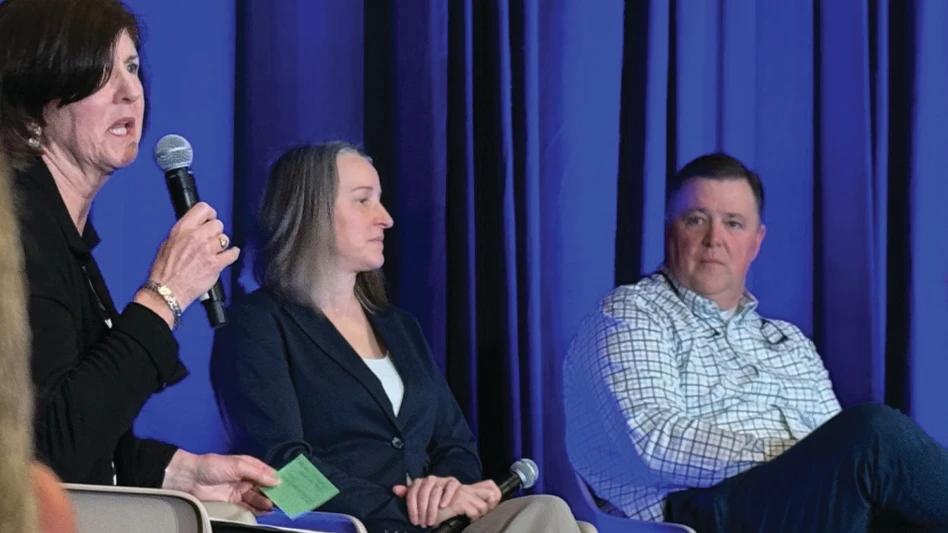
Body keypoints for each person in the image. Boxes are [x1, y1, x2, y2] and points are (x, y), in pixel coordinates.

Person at [211, 142, 587, 533]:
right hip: (349, 526)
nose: (386, 218)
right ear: (311, 212)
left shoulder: (400, 327)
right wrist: (401, 509)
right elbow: (282, 469)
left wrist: (447, 489)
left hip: (438, 524)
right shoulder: (256, 325)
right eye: (363, 201)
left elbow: (455, 445)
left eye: (381, 201)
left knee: (548, 512)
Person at [563, 152, 948, 533]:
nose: (715, 239)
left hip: (803, 506)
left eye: (733, 223)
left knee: (905, 509)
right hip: (699, 510)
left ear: (756, 241)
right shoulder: (632, 313)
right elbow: (654, 440)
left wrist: (820, 459)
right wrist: (795, 455)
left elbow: (841, 456)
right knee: (874, 432)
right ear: (670, 230)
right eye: (696, 220)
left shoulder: (789, 342)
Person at [0, 0, 279, 512]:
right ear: (39, 93)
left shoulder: (62, 235)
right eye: (102, 72)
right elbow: (47, 456)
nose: (130, 92)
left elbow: (84, 435)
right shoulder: (17, 230)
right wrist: (164, 295)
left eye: (131, 67)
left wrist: (181, 473)